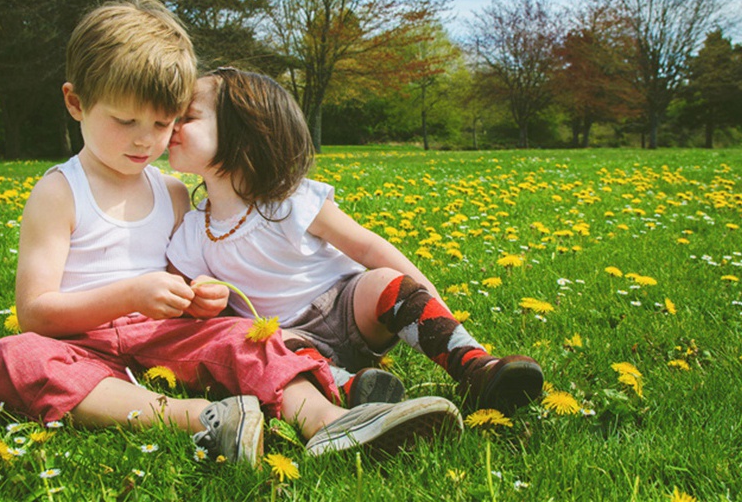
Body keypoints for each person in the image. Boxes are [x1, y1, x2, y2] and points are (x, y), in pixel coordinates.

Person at [0, 0, 464, 467]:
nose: (146, 138)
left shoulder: (171, 193)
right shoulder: (60, 192)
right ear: (76, 102)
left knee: (240, 335)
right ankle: (198, 419)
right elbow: (35, 312)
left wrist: (196, 297)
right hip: (78, 342)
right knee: (13, 358)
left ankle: (329, 421)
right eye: (125, 120)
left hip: (164, 337)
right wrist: (132, 295)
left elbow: (180, 282)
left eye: (164, 122)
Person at [166, 68, 545, 417]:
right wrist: (200, 299)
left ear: (243, 132)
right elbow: (185, 304)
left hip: (347, 307)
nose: (171, 126)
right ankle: (356, 389)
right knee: (274, 350)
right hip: (287, 334)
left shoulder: (291, 201)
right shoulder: (193, 229)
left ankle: (475, 366)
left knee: (382, 281)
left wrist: (427, 295)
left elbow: (367, 248)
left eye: (188, 117)